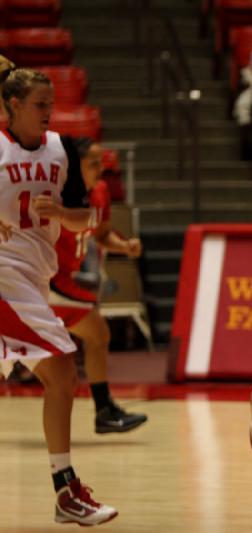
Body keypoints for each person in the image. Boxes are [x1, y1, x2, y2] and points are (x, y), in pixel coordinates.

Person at [0, 57, 118, 526]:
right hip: (4, 276)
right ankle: (67, 489)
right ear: (12, 105)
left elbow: (87, 219)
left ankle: (65, 491)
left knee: (54, 375)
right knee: (62, 370)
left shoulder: (61, 149)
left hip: (35, 278)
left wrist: (63, 215)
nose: (49, 111)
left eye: (52, 103)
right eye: (39, 104)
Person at [47, 138, 148, 434]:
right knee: (96, 330)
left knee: (92, 336)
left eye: (101, 162)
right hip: (44, 278)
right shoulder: (54, 193)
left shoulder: (101, 192)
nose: (100, 168)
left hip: (64, 279)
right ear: (73, 167)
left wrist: (125, 246)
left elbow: (102, 236)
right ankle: (104, 410)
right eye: (92, 162)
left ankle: (104, 410)